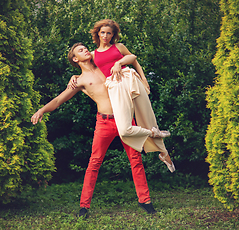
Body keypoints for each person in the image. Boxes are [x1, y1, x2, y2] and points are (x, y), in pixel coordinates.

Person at [31, 43, 159, 218]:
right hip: (104, 122)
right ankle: (84, 207)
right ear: (75, 59)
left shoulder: (103, 64)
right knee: (94, 163)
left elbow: (125, 57)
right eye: (80, 50)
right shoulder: (80, 80)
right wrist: (41, 110)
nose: (86, 50)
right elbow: (58, 100)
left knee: (136, 159)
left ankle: (145, 201)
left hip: (125, 119)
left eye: (85, 48)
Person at [70, 19, 175, 172]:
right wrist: (74, 76)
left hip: (131, 80)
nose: (105, 36)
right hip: (116, 88)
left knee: (147, 119)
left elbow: (133, 59)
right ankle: (155, 136)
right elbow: (86, 69)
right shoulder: (93, 54)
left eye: (109, 33)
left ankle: (164, 153)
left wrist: (142, 79)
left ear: (113, 35)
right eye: (103, 33)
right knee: (125, 130)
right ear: (98, 34)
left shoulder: (118, 47)